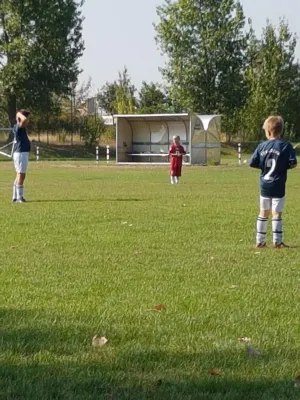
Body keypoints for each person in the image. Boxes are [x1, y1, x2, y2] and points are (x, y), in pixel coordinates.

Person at [249, 116, 297, 248]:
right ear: (280, 130)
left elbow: (253, 163)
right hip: (279, 184)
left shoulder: (261, 146)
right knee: (276, 213)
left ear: (268, 132)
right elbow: (293, 164)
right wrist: (283, 167)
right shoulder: (286, 146)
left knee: (263, 212)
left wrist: (263, 167)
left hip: (265, 184)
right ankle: (277, 241)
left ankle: (260, 241)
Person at [12, 109, 31, 203]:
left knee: (19, 175)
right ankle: (20, 197)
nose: (28, 120)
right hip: (21, 153)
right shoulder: (19, 126)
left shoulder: (20, 127)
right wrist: (19, 114)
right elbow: (23, 120)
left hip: (20, 153)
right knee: (21, 175)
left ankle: (15, 196)